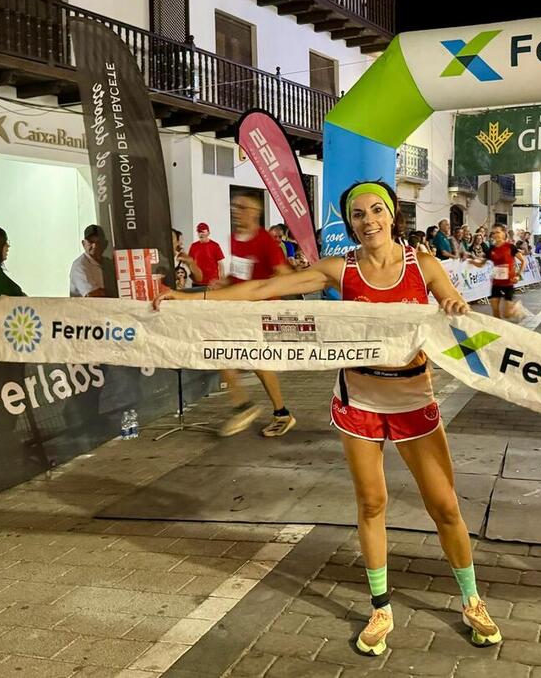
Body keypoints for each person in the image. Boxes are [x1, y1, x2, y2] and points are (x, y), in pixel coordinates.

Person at [155, 180, 502, 655]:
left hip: (413, 403)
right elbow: (265, 288)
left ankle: (471, 600)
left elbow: (454, 307)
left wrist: (455, 306)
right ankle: (381, 608)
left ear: (392, 214)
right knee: (372, 504)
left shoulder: (423, 265)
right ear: (350, 223)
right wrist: (190, 299)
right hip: (358, 403)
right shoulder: (342, 268)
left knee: (445, 507)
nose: (368, 220)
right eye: (357, 215)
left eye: (376, 210)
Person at [216, 191, 297, 438]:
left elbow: (284, 274)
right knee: (236, 358)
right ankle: (269, 411)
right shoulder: (234, 239)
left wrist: (270, 288)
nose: (236, 212)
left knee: (243, 359)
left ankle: (258, 409)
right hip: (240, 309)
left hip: (261, 310)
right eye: (234, 207)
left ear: (254, 212)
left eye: (241, 207)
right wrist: (225, 283)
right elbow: (240, 273)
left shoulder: (265, 241)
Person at [472, 224, 525, 321]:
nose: (496, 235)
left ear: (504, 233)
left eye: (498, 232)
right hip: (496, 282)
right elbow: (481, 264)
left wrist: (518, 275)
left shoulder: (510, 247)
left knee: (507, 314)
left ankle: (516, 308)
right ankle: (500, 332)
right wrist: (471, 261)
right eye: (494, 233)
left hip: (508, 282)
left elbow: (523, 261)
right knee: (495, 313)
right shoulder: (491, 248)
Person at [70, 225, 108, 298]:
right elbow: (92, 294)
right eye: (90, 242)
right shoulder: (79, 265)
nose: (94, 246)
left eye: (98, 242)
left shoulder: (109, 263)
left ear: (105, 244)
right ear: (83, 244)